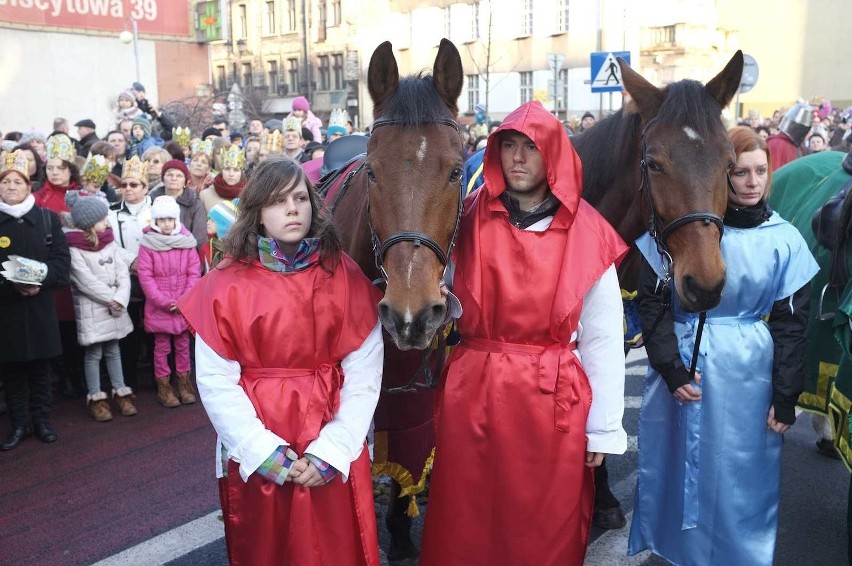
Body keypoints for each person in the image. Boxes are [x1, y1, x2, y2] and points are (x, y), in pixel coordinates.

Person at [419, 101, 628, 565]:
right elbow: (445, 294)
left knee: (543, 523)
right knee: (466, 516)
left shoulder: (587, 232)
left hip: (549, 398)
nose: (516, 158)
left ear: (552, 154)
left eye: (529, 148)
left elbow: (603, 339)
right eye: (508, 146)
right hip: (474, 389)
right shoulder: (467, 218)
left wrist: (603, 429)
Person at [627, 126, 819, 565]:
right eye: (740, 172)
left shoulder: (784, 239)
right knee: (678, 470)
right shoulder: (680, 233)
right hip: (682, 364)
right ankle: (678, 552)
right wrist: (670, 368)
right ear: (721, 177)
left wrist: (786, 394)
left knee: (741, 476)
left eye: (760, 171)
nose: (752, 182)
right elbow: (653, 305)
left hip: (747, 375)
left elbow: (792, 324)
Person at [177, 157, 383, 565]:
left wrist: (333, 449)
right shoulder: (225, 283)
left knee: (336, 546)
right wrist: (261, 451)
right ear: (255, 212)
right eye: (277, 201)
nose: (292, 209)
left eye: (300, 198)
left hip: (329, 428)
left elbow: (364, 373)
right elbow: (217, 380)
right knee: (267, 548)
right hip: (262, 434)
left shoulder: (343, 274)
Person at [0, 151, 70, 450]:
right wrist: (11, 286)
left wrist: (40, 279)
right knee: (13, 371)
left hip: (40, 306)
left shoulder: (46, 219)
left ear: (29, 186)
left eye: (18, 181)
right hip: (6, 308)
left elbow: (62, 262)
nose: (11, 186)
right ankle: (19, 425)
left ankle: (41, 421)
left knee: (41, 369)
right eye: (6, 182)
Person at [64, 192, 136, 422]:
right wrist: (112, 298)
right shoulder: (74, 249)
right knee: (94, 353)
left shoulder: (109, 241)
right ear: (88, 223)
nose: (106, 223)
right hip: (94, 308)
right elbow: (84, 280)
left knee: (114, 350)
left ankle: (120, 390)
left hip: (114, 305)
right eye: (102, 219)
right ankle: (96, 396)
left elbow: (122, 273)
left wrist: (122, 297)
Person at [136, 195, 201, 408]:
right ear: (155, 221)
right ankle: (164, 387)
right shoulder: (148, 243)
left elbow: (194, 272)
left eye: (170, 219)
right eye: (162, 220)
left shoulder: (187, 241)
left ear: (176, 220)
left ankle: (183, 383)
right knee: (161, 347)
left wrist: (183, 300)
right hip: (160, 307)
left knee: (183, 346)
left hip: (183, 305)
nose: (166, 224)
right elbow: (146, 278)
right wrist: (165, 302)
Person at [107, 157, 153, 389]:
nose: (127, 189)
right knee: (129, 330)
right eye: (124, 185)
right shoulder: (112, 212)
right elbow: (109, 243)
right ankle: (129, 379)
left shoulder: (156, 209)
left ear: (145, 187)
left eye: (134, 184)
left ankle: (159, 377)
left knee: (155, 329)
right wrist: (131, 260)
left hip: (155, 277)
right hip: (127, 276)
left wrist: (147, 263)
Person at [149, 159, 208, 249]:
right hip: (155, 251)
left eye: (179, 176)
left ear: (185, 181)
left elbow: (199, 237)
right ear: (163, 178)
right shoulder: (151, 200)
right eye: (169, 174)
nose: (174, 178)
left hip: (186, 253)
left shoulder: (195, 203)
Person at [200, 145, 246, 213]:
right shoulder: (205, 194)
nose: (231, 174)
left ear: (241, 173)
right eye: (227, 169)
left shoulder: (249, 195)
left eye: (236, 170)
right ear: (221, 171)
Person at [200, 199, 237, 271]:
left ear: (223, 225)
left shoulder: (237, 250)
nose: (208, 222)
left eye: (213, 220)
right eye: (209, 218)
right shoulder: (206, 248)